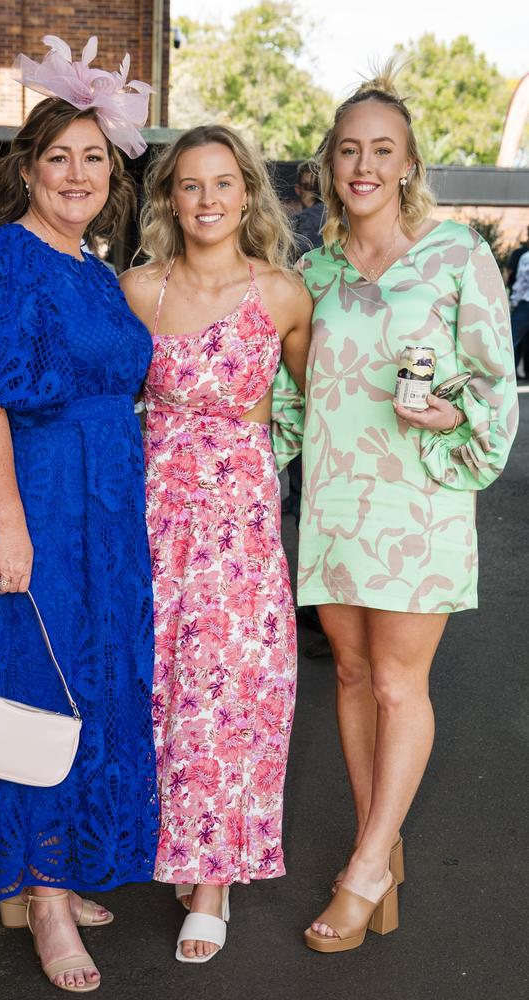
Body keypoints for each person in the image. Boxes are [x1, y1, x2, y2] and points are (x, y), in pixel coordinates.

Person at [0, 35, 157, 994]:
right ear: (27, 168)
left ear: (112, 172)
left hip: (102, 513)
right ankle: (43, 899)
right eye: (60, 157)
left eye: (95, 158)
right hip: (34, 503)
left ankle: (49, 865)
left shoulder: (94, 269)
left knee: (85, 677)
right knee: (28, 679)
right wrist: (10, 522)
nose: (79, 173)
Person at [297, 63, 518, 953]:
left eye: (381, 149)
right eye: (349, 148)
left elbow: (496, 384)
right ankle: (378, 848)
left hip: (421, 496)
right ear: (328, 164)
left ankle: (363, 869)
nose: (363, 164)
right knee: (351, 678)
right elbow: (284, 392)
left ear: (408, 162)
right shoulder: (309, 269)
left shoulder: (456, 253)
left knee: (398, 682)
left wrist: (452, 412)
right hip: (336, 500)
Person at [120, 124, 312, 963]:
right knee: (158, 680)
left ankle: (213, 880)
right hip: (153, 514)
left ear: (247, 194)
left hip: (237, 524)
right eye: (190, 185)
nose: (207, 200)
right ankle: (179, 838)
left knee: (229, 691)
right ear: (169, 196)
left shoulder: (282, 294)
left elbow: (325, 404)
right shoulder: (136, 291)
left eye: (223, 183)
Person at [510, 248, 529, 379]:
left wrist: (514, 302)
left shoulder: (526, 257)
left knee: (511, 340)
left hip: (526, 303)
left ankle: (508, 374)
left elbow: (521, 283)